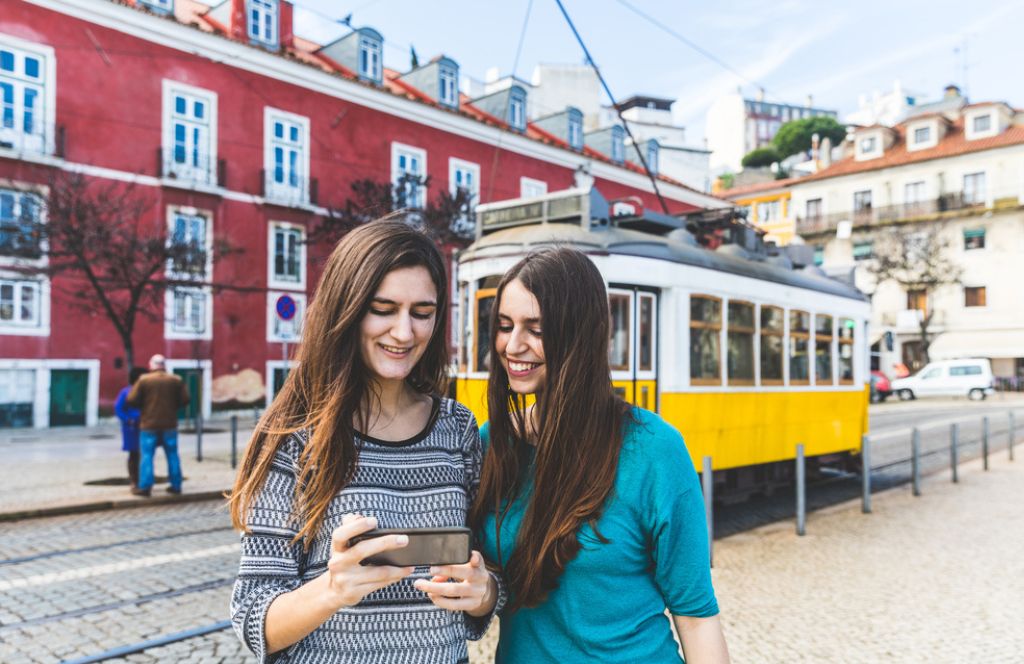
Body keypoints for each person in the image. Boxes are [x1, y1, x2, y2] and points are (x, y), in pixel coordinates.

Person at [228, 221, 502, 663]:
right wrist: (332, 590)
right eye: (383, 308)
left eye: (422, 312)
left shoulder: (458, 428)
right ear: (348, 309)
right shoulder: (295, 437)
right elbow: (252, 619)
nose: (404, 333)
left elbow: (484, 584)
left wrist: (484, 591)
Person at [471, 248, 730, 663]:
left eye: (536, 329)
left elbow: (696, 616)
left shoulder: (654, 450)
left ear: (580, 334)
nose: (513, 345)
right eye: (504, 326)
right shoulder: (490, 446)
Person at [126, 354, 189, 497]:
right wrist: (172, 406)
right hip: (170, 424)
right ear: (164, 366)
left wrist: (145, 406)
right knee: (172, 454)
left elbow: (131, 399)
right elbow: (185, 400)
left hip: (149, 424)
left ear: (151, 366)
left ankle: (146, 487)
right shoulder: (176, 380)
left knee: (147, 455)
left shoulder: (144, 380)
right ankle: (176, 485)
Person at [114, 367, 146, 490]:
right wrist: (128, 419)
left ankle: (143, 479)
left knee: (144, 454)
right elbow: (119, 409)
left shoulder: (145, 391)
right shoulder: (126, 392)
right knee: (133, 455)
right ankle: (134, 480)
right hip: (131, 429)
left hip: (145, 426)